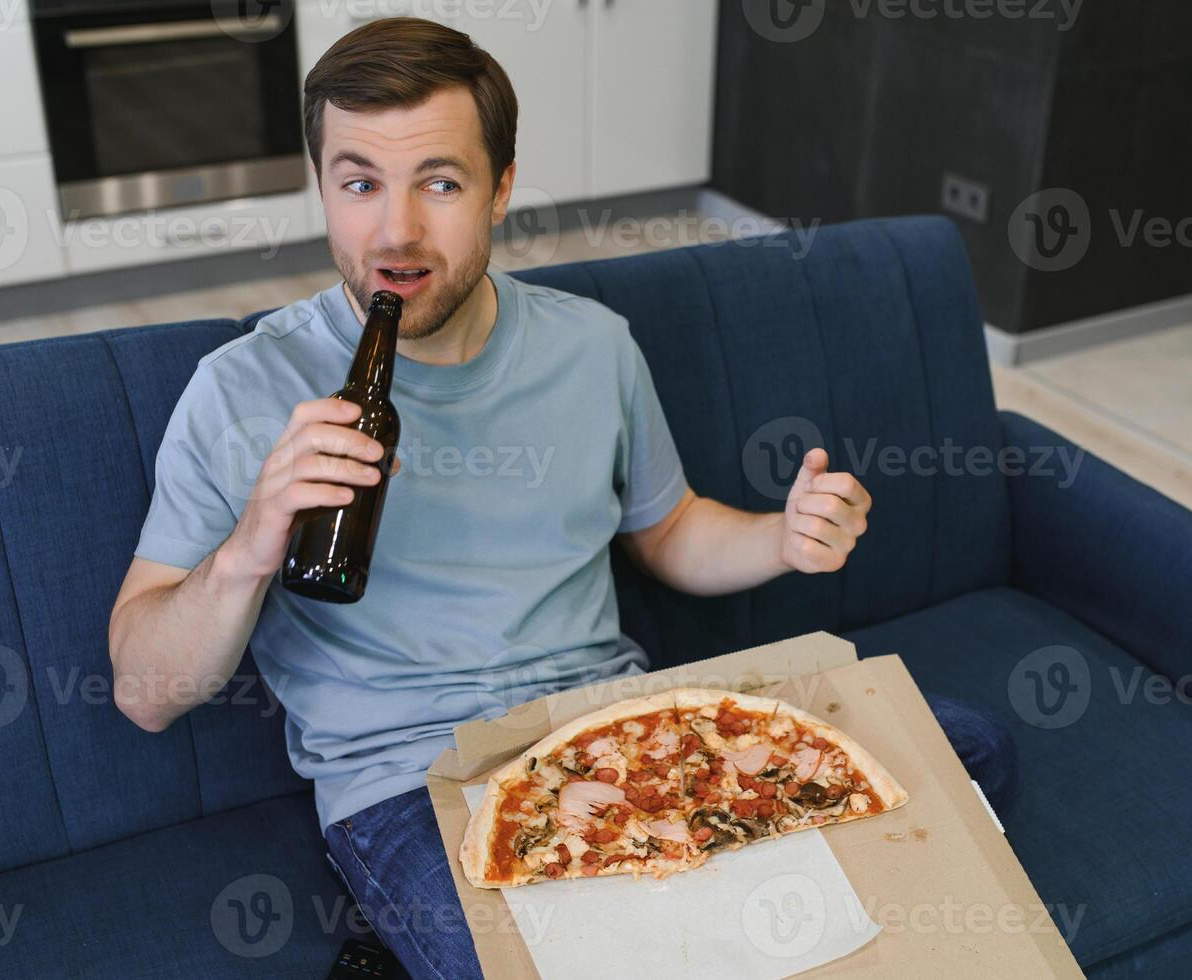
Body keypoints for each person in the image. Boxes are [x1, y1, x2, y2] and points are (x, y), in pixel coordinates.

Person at [107, 17, 1018, 979]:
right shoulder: (240, 388)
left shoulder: (592, 346)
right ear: (325, 188)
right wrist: (251, 545)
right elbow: (145, 694)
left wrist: (783, 539)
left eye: (441, 182)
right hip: (412, 780)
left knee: (967, 750)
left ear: (501, 187)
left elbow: (667, 530)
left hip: (622, 724)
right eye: (360, 183)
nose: (396, 232)